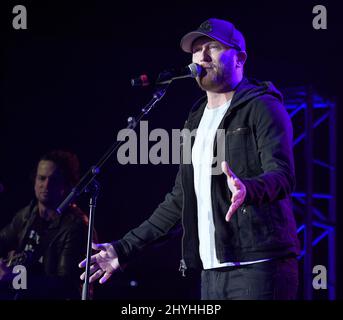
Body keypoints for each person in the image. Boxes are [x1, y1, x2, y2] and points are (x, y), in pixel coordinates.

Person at [79, 18, 301, 300]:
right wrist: (123, 249)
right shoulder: (195, 120)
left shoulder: (263, 106)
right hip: (211, 271)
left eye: (213, 47)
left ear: (239, 59)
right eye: (196, 50)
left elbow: (282, 174)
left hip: (260, 267)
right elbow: (179, 200)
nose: (203, 57)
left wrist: (250, 189)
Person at [0, 150, 90, 299]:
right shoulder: (27, 215)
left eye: (54, 180)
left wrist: (16, 278)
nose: (46, 185)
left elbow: (67, 285)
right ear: (34, 180)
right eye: (41, 178)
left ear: (67, 184)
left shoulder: (76, 226)